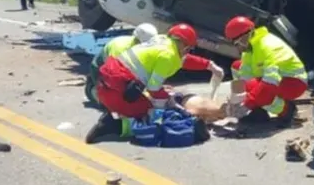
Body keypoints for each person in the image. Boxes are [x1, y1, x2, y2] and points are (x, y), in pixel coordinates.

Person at [85, 23, 225, 143]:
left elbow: (183, 60)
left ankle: (118, 113)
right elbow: (154, 88)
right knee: (149, 113)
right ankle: (114, 125)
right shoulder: (168, 55)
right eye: (188, 48)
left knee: (154, 103)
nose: (188, 52)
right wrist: (169, 101)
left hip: (108, 83)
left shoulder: (162, 41)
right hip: (118, 90)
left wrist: (209, 65)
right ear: (183, 44)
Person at [225, 15, 308, 127]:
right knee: (237, 67)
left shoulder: (268, 46)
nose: (237, 48)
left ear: (244, 37)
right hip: (277, 80)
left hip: (294, 82)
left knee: (259, 90)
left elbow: (270, 83)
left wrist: (248, 104)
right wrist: (237, 100)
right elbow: (244, 75)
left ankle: (287, 110)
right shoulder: (250, 49)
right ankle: (258, 112)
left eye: (236, 44)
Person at [85, 23, 159, 106]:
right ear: (137, 39)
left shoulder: (144, 48)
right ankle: (92, 90)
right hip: (100, 69)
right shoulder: (119, 47)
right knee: (114, 104)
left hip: (122, 70)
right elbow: (113, 73)